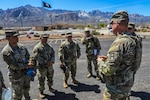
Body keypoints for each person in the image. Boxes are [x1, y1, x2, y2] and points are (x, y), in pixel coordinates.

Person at [97, 10, 137, 100]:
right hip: (127, 87)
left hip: (115, 90)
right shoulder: (133, 40)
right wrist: (109, 58)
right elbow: (132, 62)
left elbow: (108, 70)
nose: (111, 26)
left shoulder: (119, 43)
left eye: (112, 24)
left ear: (117, 23)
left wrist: (100, 62)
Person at [1, 31, 32, 100]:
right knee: (18, 94)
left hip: (26, 74)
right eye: (14, 37)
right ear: (8, 38)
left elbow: (28, 56)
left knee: (26, 89)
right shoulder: (6, 51)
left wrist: (30, 61)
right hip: (16, 76)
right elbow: (13, 65)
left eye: (17, 36)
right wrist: (26, 66)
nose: (17, 38)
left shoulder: (22, 47)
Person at [33, 33, 56, 99]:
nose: (45, 39)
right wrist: (46, 63)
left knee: (50, 77)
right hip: (42, 67)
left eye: (46, 38)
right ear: (40, 38)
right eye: (44, 38)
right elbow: (37, 57)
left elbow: (53, 54)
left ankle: (50, 87)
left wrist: (52, 61)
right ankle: (41, 92)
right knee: (41, 80)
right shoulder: (37, 47)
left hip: (50, 66)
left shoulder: (49, 46)